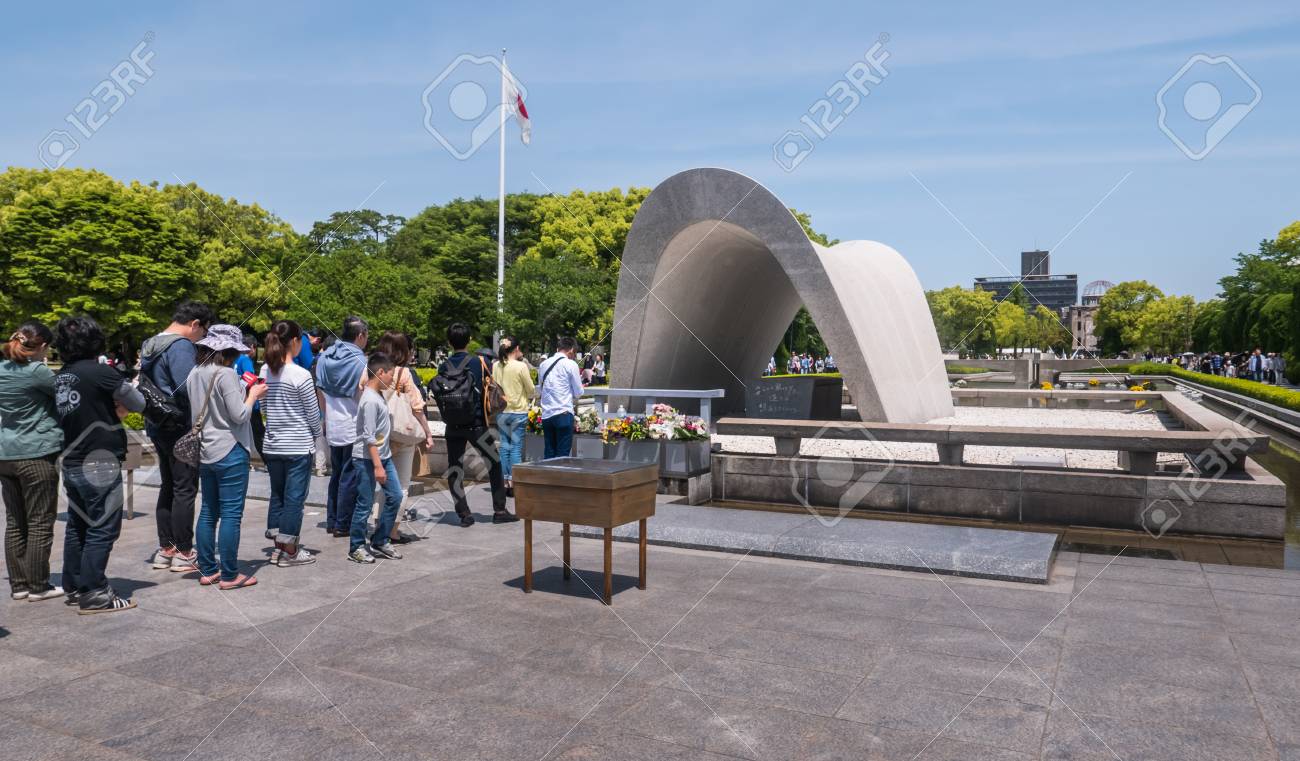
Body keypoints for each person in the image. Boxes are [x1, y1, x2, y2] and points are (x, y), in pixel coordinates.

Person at [53, 315, 146, 613]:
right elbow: (138, 404)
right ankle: (94, 592)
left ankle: (76, 584)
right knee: (103, 527)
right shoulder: (100, 373)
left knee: (78, 524)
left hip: (71, 459)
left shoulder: (61, 375)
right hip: (99, 460)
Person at [188, 324, 267, 589]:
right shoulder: (225, 375)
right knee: (232, 514)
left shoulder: (195, 373)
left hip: (205, 450)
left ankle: (208, 569)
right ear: (230, 351)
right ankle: (230, 575)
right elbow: (240, 415)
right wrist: (253, 394)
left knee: (209, 511)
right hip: (230, 449)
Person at [139, 300, 214, 572]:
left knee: (168, 484)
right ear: (195, 324)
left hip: (157, 422)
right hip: (179, 423)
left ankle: (166, 548)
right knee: (185, 487)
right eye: (203, 332)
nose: (202, 337)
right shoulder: (180, 345)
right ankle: (184, 551)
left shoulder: (151, 343)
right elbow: (187, 386)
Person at [1, 321, 65, 602]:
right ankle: (39, 585)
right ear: (41, 346)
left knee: (15, 521)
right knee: (40, 521)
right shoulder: (37, 371)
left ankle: (19, 585)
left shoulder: (2, 369)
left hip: (6, 453)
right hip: (36, 453)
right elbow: (64, 398)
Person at [435, 323, 513, 527]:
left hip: (452, 425)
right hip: (476, 424)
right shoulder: (479, 362)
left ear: (449, 342)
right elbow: (490, 388)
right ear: (469, 340)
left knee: (455, 468)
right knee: (494, 464)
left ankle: (464, 513)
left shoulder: (444, 366)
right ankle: (499, 510)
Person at [260, 320, 320, 567]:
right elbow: (313, 414)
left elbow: (263, 407)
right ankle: (291, 551)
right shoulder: (301, 375)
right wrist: (315, 435)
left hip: (273, 444)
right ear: (295, 342)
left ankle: (278, 546)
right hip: (297, 445)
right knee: (295, 498)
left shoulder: (265, 371)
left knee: (278, 495)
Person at [375, 330, 433, 544]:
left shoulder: (372, 370)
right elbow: (418, 408)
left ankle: (379, 524)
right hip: (402, 435)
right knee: (401, 486)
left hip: (379, 435)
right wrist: (427, 432)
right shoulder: (403, 373)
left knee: (383, 484)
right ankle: (392, 530)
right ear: (403, 350)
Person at [348, 352, 404, 563]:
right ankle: (356, 546)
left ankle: (380, 540)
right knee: (364, 503)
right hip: (366, 459)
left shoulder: (375, 393)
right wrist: (378, 466)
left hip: (383, 456)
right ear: (380, 372)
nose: (392, 379)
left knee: (395, 496)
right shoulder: (370, 400)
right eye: (391, 374)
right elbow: (369, 437)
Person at [316, 317, 369, 538]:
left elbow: (319, 390)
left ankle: (332, 520)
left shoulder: (325, 357)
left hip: (332, 422)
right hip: (352, 424)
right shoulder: (361, 361)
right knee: (350, 476)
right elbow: (364, 394)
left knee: (337, 474)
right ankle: (343, 523)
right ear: (360, 335)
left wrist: (326, 417)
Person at [494, 337, 534, 498]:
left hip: (501, 411)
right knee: (515, 448)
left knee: (504, 447)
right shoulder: (521, 366)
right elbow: (530, 389)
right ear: (516, 348)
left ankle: (504, 482)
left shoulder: (496, 365)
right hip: (518, 411)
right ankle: (514, 483)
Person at [537, 337, 584, 460]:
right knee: (562, 456)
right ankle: (559, 479)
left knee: (549, 452)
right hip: (563, 412)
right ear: (571, 350)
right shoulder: (571, 364)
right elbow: (579, 392)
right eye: (574, 353)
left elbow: (541, 388)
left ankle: (547, 478)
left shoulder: (543, 364)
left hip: (547, 415)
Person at [235, 333, 265, 457]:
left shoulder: (234, 358)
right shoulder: (245, 359)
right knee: (259, 434)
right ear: (252, 346)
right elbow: (250, 379)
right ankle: (267, 461)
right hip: (250, 402)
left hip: (236, 401)